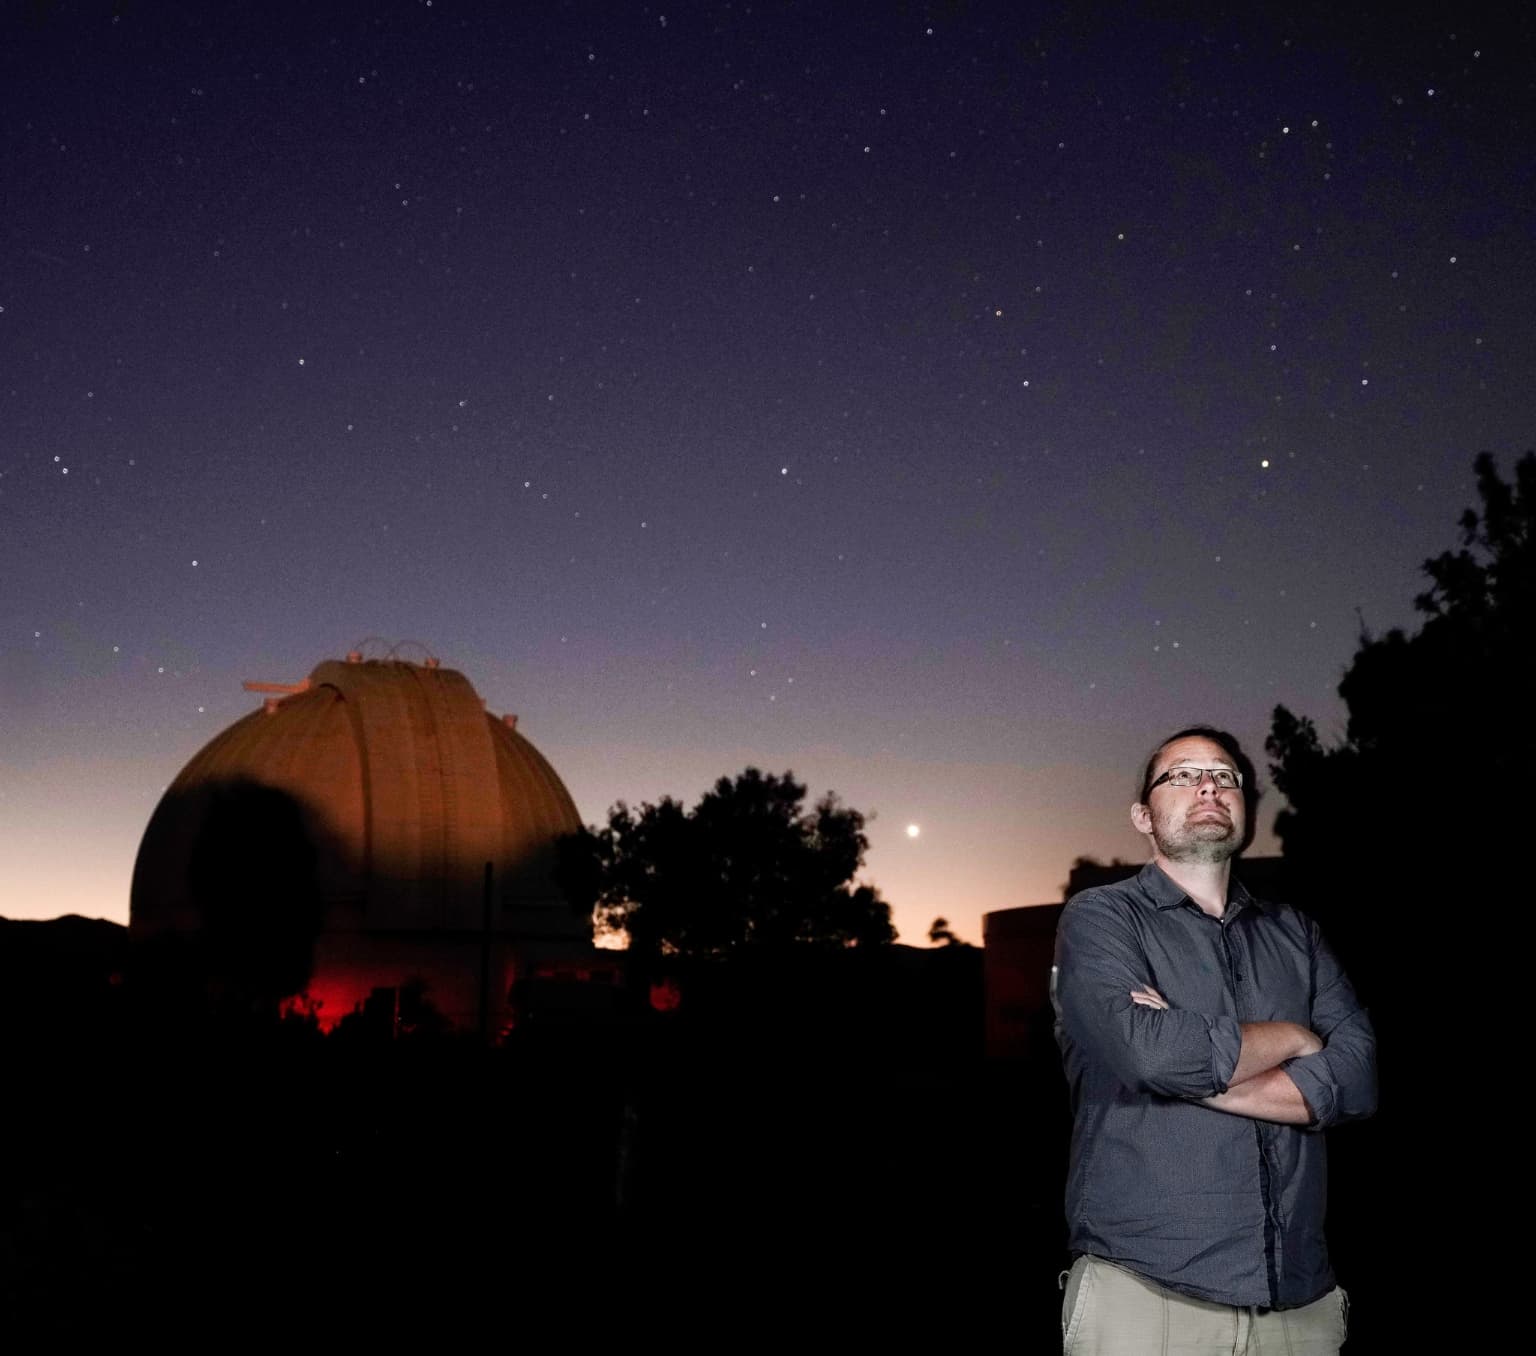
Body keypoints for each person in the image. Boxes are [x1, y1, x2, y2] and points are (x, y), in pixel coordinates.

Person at [1052, 727, 1376, 1354]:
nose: (1208, 784)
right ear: (1143, 815)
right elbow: (1149, 1052)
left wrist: (1179, 1067)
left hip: (1299, 1305)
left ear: (1245, 806)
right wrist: (1294, 1035)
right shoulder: (1101, 918)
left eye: (1225, 776)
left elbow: (1358, 1078)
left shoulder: (1297, 935)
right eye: (1182, 774)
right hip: (1147, 1295)